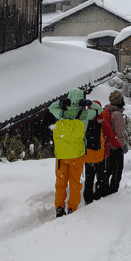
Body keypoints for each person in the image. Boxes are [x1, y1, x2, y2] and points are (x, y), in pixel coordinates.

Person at [48, 88, 102, 217]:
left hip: (61, 155)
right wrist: (89, 103)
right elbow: (99, 110)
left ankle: (59, 208)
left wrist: (61, 103)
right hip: (77, 154)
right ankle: (72, 208)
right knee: (75, 183)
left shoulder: (61, 113)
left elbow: (51, 107)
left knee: (61, 183)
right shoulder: (84, 114)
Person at [82, 100, 111, 206]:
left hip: (87, 156)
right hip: (100, 155)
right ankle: (100, 196)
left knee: (88, 179)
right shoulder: (102, 121)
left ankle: (88, 199)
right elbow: (110, 135)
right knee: (101, 177)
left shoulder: (84, 121)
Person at [104, 90, 128, 195]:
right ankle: (112, 194)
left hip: (106, 145)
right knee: (117, 172)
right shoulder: (117, 114)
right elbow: (119, 134)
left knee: (107, 170)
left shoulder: (106, 110)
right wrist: (123, 146)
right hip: (115, 147)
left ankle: (102, 190)